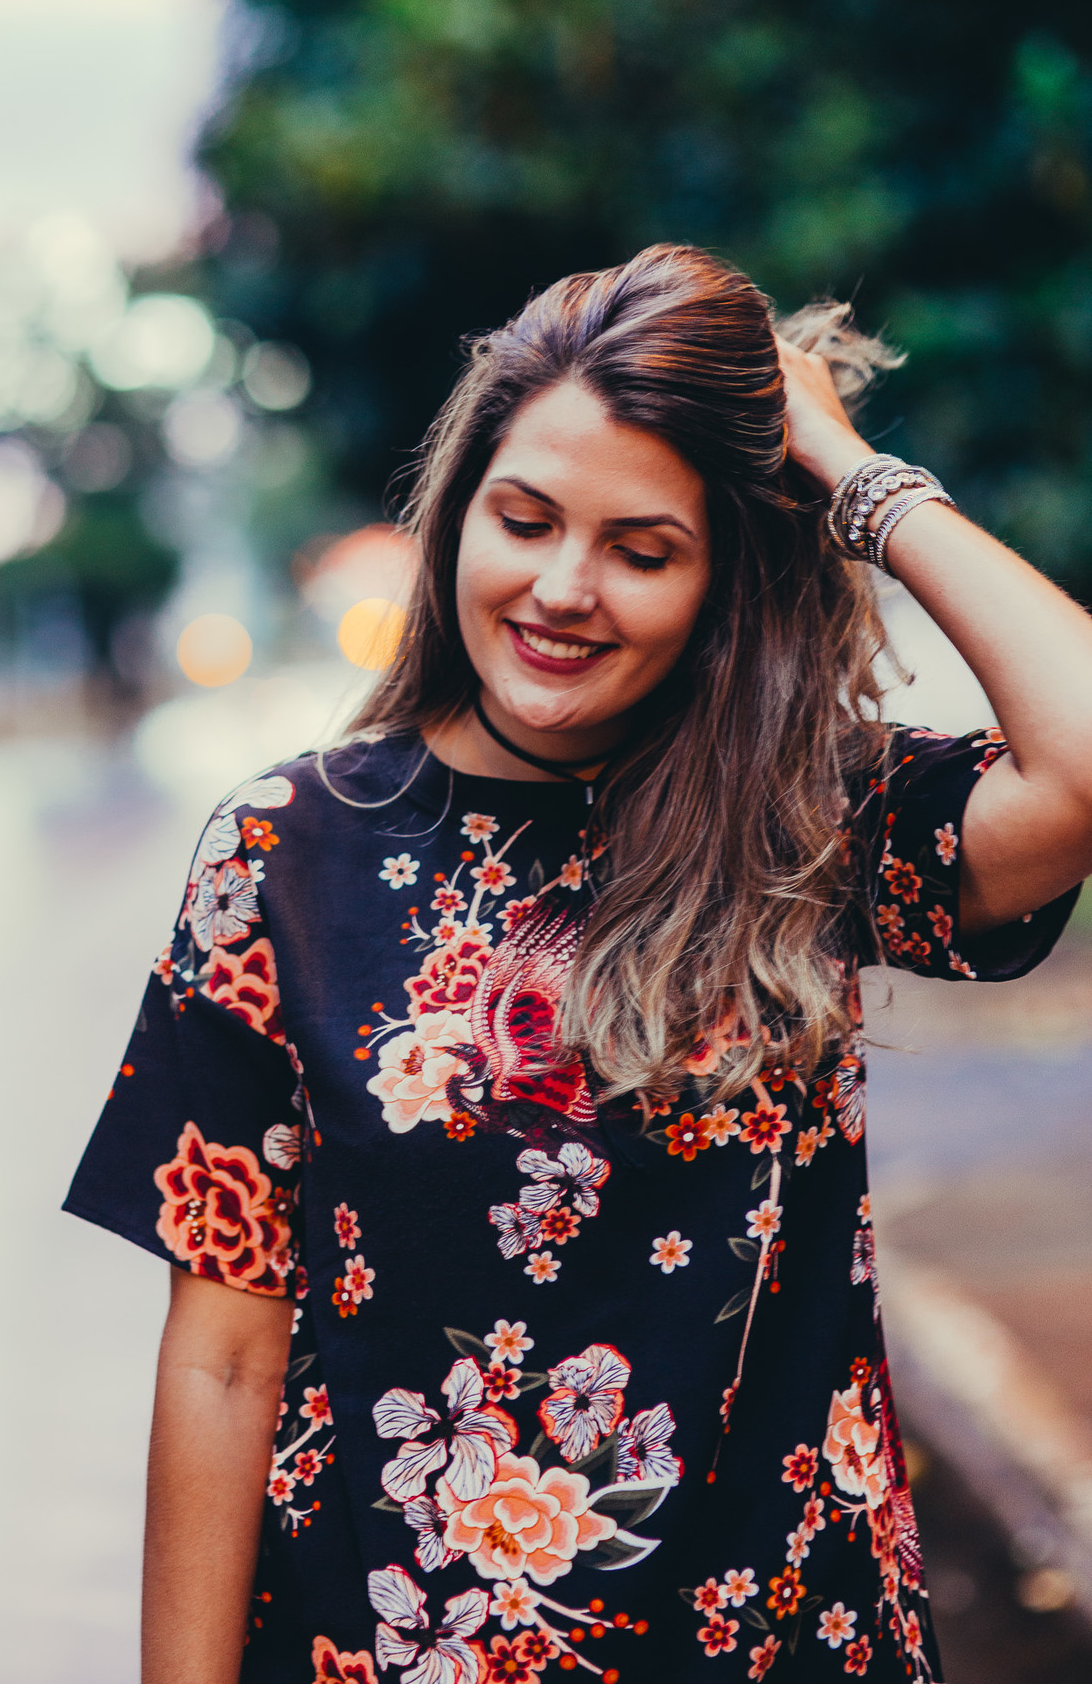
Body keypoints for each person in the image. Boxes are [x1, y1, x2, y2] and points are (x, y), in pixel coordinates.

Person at [65, 244, 1092, 1684]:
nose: (562, 588)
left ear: (722, 579)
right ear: (458, 516)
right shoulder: (282, 856)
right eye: (525, 518)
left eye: (642, 548)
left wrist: (854, 473)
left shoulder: (801, 824)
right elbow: (223, 1358)